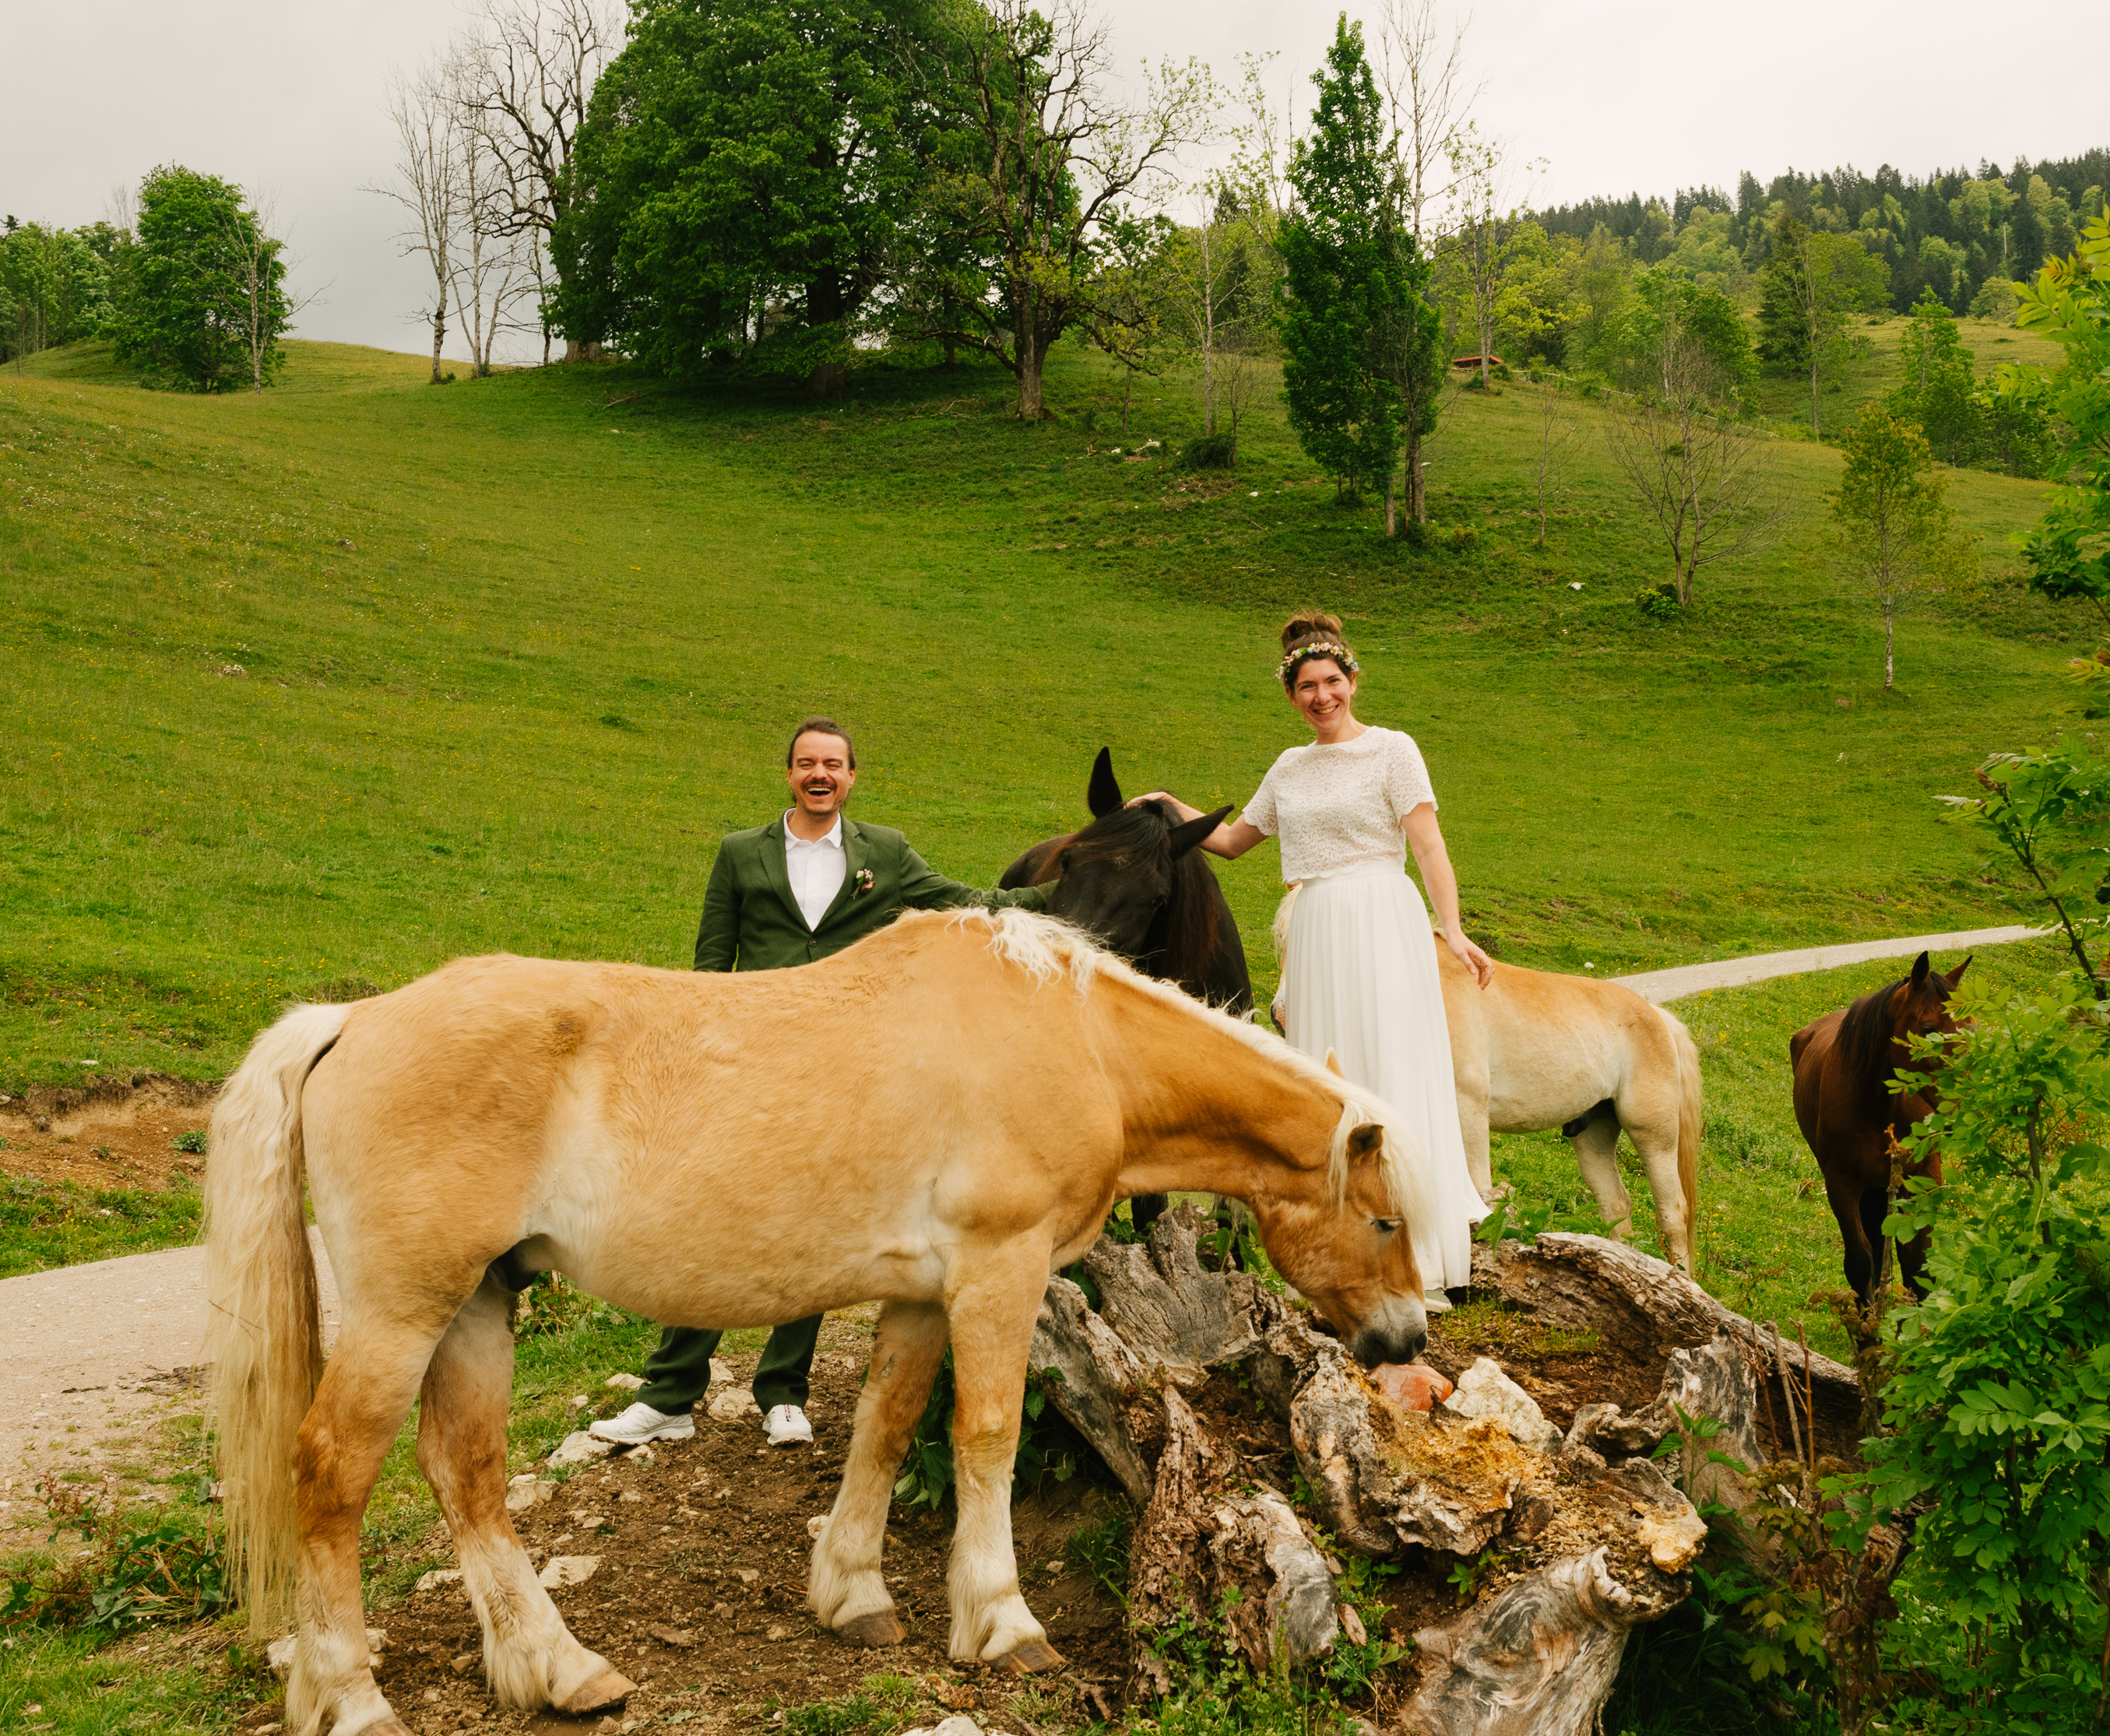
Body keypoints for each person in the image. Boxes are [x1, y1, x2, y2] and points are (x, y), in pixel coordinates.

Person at [590, 717, 1057, 1450]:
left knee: (809, 1217)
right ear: (789, 774)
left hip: (841, 1065)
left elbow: (959, 903)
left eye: (832, 764)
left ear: (851, 776)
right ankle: (669, 1395)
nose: (820, 774)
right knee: (713, 1213)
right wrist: (693, 1054)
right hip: (746, 1059)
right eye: (807, 762)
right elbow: (710, 964)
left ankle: (782, 1393)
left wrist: (1068, 890)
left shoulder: (887, 853)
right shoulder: (741, 854)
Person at [1141, 611, 1493, 1302]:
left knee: (1392, 1065)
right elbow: (1237, 841)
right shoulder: (1289, 768)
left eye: (1332, 680)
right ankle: (1341, 1248)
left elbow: (1428, 846)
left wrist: (1451, 929)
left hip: (1384, 917)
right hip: (1318, 923)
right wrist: (1164, 804)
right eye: (1307, 685)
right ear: (1291, 695)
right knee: (1329, 1078)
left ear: (1353, 681)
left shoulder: (1394, 750)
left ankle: (1418, 1254)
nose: (1322, 695)